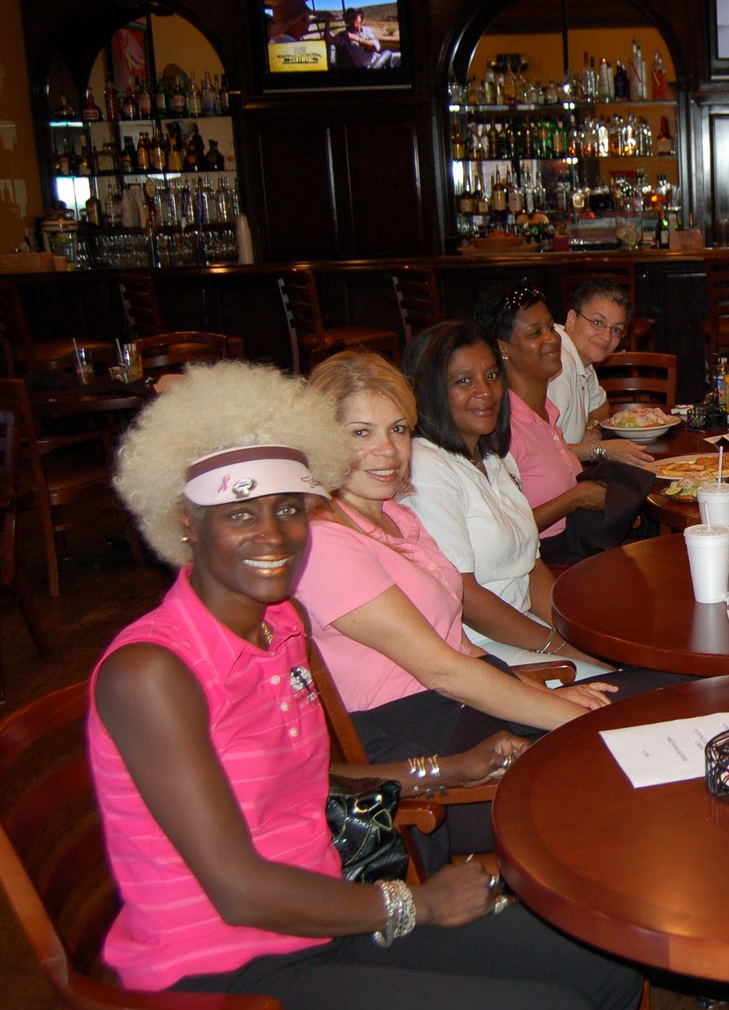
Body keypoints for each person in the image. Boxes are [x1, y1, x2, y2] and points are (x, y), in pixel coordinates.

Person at [93, 360, 640, 1009]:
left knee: (605, 966)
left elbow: (304, 780)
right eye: (240, 513)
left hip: (327, 916)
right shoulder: (152, 672)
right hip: (229, 969)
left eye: (288, 508)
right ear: (186, 521)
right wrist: (413, 904)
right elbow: (238, 891)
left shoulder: (279, 625)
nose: (273, 535)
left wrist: (443, 769)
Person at [296, 350, 612, 758]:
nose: (388, 450)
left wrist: (547, 694)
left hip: (455, 702)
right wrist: (574, 716)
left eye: (397, 429)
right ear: (320, 440)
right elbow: (441, 670)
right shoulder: (325, 540)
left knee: (634, 697)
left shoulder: (397, 516)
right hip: (412, 733)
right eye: (361, 433)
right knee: (617, 734)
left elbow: (462, 648)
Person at [398, 321, 609, 678]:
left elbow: (530, 567)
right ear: (431, 392)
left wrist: (577, 632)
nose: (485, 391)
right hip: (476, 647)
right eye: (463, 381)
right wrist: (560, 647)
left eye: (492, 376)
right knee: (617, 686)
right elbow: (464, 597)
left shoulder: (494, 457)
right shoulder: (427, 468)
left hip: (524, 629)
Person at [482, 284, 653, 564]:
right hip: (549, 563)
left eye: (551, 328)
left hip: (578, 544)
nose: (552, 339)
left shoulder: (546, 413)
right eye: (535, 333)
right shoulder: (503, 427)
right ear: (503, 348)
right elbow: (502, 534)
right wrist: (577, 497)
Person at [547, 280, 652, 465]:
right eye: (597, 323)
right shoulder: (560, 364)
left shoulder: (582, 358)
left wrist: (592, 428)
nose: (606, 337)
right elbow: (545, 452)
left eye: (616, 330)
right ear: (571, 320)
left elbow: (601, 407)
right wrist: (601, 449)